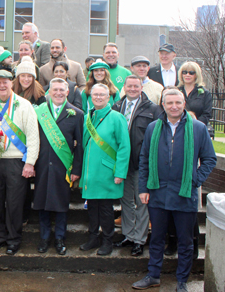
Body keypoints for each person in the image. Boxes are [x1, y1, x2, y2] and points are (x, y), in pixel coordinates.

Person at [132, 89, 216, 292]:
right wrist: (143, 188)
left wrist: (195, 180)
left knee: (185, 241)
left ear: (184, 103)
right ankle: (153, 275)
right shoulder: (153, 127)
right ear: (163, 104)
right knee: (157, 238)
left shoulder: (198, 128)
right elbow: (144, 159)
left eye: (178, 102)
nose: (174, 106)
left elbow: (209, 159)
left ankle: (182, 281)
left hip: (184, 193)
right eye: (169, 103)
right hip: (158, 191)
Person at [0, 70, 39, 256]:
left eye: (5, 82)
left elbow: (33, 136)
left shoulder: (24, 105)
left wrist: (30, 163)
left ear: (12, 84)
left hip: (16, 161)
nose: (1, 85)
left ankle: (14, 239)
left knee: (14, 203)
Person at [112, 75, 162, 256]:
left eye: (136, 86)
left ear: (141, 87)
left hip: (141, 164)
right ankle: (128, 235)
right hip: (122, 164)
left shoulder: (153, 109)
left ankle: (140, 240)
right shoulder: (116, 107)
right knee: (125, 202)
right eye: (129, 86)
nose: (132, 89)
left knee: (141, 202)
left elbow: (157, 137)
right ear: (124, 87)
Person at [33, 78, 83, 255]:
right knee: (41, 202)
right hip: (42, 166)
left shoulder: (76, 114)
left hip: (64, 168)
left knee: (62, 203)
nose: (59, 93)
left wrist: (77, 170)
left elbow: (80, 145)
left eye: (62, 90)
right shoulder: (39, 112)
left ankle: (60, 238)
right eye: (55, 90)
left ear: (68, 92)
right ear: (49, 92)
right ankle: (44, 237)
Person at [79, 83, 130, 256]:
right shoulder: (88, 117)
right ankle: (93, 238)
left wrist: (120, 173)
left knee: (106, 210)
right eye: (95, 95)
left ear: (108, 97)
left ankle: (107, 241)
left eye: (102, 95)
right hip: (90, 173)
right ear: (91, 97)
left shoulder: (117, 118)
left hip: (107, 172)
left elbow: (124, 147)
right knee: (92, 207)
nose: (98, 97)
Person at [178, 61, 213, 126]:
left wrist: (195, 125)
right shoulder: (176, 91)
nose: (187, 75)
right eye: (184, 72)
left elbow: (207, 114)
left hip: (197, 127)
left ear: (196, 75)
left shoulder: (205, 93)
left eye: (191, 73)